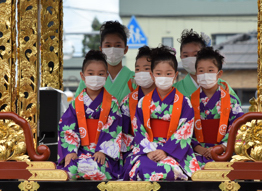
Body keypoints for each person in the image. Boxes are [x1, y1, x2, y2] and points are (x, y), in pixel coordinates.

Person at [123, 45, 200, 181]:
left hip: (172, 150)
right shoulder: (143, 102)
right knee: (141, 169)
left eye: (168, 73)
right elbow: (139, 130)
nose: (163, 77)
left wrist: (166, 151)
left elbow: (184, 131)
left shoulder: (184, 102)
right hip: (148, 150)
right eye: (158, 73)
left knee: (169, 170)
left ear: (176, 75)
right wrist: (149, 151)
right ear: (152, 75)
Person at [57, 50, 122, 180]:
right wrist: (71, 151)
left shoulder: (112, 103)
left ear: (106, 76)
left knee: (97, 169)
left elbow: (114, 129)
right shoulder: (76, 103)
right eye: (91, 73)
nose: (95, 77)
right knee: (68, 169)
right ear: (82, 75)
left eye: (101, 74)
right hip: (80, 150)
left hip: (101, 154)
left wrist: (103, 151)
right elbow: (67, 128)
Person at [190, 47, 244, 168]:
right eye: (201, 71)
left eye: (210, 70)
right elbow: (183, 129)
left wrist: (221, 147)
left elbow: (238, 128)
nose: (205, 75)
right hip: (196, 153)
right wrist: (198, 148)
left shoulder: (232, 101)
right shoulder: (188, 101)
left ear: (219, 73)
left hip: (224, 152)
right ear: (196, 74)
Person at [174, 29, 240, 104]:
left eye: (196, 55)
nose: (191, 59)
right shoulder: (174, 89)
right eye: (186, 55)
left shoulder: (223, 86)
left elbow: (237, 109)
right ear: (181, 57)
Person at [75, 21, 135, 103]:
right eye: (108, 46)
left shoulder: (134, 79)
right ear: (101, 49)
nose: (113, 49)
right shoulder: (89, 78)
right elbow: (77, 106)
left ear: (125, 49)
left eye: (118, 45)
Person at [119, 46, 156, 177]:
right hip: (135, 149)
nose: (141, 72)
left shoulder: (173, 99)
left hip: (163, 149)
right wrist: (144, 148)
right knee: (139, 168)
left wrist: (161, 149)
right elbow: (121, 132)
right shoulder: (128, 100)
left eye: (146, 68)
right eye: (137, 69)